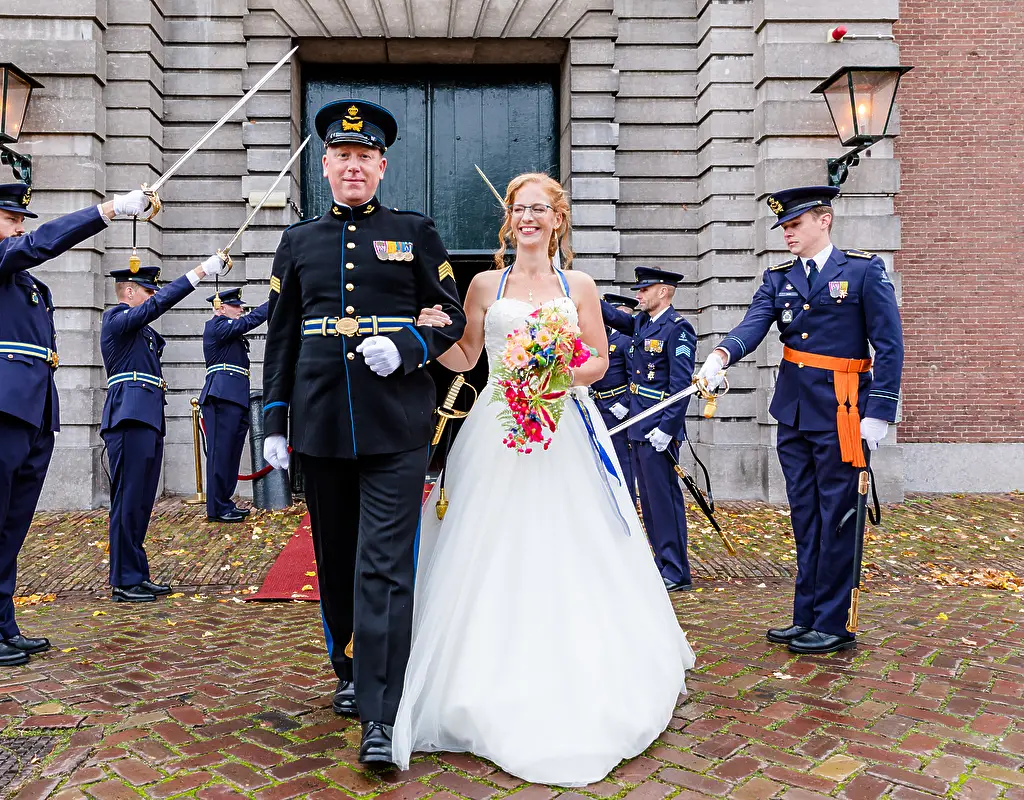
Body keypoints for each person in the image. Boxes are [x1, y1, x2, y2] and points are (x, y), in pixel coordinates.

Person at [394, 173, 694, 786]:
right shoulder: (484, 284)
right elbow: (468, 357)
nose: (528, 218)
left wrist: (555, 375)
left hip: (564, 429)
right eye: (518, 209)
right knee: (489, 542)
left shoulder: (577, 285)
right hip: (496, 427)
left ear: (558, 219)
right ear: (509, 220)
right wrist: (433, 331)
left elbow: (601, 360)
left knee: (569, 540)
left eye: (539, 209)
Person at [261, 99, 466, 762]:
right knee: (338, 560)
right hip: (320, 422)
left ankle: (381, 712)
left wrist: (407, 345)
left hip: (396, 423)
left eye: (365, 157)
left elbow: (453, 316)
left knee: (384, 565)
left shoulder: (415, 232)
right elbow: (282, 336)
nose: (354, 166)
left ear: (382, 165)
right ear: (326, 166)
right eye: (342, 156)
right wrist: (273, 420)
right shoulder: (297, 242)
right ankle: (349, 667)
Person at [0, 182, 152, 667]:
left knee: (10, 523)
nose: (19, 226)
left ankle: (1, 621)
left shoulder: (20, 280)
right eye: (10, 218)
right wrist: (110, 210)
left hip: (31, 405)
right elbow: (36, 245)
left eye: (20, 220)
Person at [696, 185, 903, 654]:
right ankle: (805, 613)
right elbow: (754, 323)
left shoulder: (863, 270)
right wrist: (722, 354)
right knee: (805, 514)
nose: (787, 234)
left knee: (838, 516)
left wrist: (879, 413)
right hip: (792, 411)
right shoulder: (778, 277)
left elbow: (889, 345)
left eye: (794, 225)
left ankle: (833, 622)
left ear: (823, 220)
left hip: (843, 411)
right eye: (784, 227)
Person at [101, 257, 225, 603]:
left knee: (140, 502)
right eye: (145, 290)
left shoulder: (141, 331)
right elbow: (157, 306)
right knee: (128, 500)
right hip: (129, 416)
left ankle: (136, 573)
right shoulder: (116, 319)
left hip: (148, 415)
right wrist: (200, 272)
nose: (151, 295)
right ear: (128, 291)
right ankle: (124, 579)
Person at [627, 268, 697, 592]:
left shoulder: (678, 330)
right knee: (650, 502)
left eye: (644, 290)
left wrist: (668, 428)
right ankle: (661, 561)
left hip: (658, 428)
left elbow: (681, 386)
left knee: (664, 499)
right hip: (639, 424)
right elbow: (614, 317)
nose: (638, 295)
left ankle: (677, 569)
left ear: (664, 292)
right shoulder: (643, 323)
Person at [199, 289, 269, 522]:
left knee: (231, 454)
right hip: (222, 397)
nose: (241, 309)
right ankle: (216, 508)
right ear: (220, 308)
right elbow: (250, 321)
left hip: (235, 396)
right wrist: (276, 298)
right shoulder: (216, 326)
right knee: (221, 454)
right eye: (235, 306)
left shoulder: (229, 330)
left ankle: (225, 502)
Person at [593, 292, 639, 501]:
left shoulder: (625, 341)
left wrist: (624, 403)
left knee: (622, 457)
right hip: (596, 402)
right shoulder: (595, 339)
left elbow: (635, 377)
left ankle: (627, 501)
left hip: (616, 404)